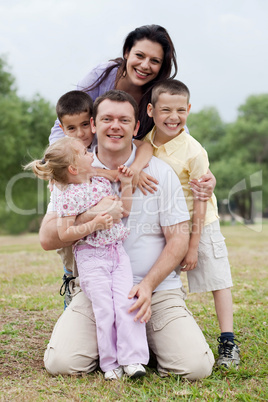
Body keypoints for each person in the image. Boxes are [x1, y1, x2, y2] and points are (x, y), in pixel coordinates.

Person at [39, 90, 215, 380]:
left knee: (195, 368)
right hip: (98, 289)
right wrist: (96, 214)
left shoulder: (160, 171)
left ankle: (143, 341)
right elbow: (47, 238)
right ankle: (116, 342)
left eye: (124, 120)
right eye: (107, 119)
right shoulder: (73, 174)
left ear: (136, 128)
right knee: (62, 363)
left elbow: (179, 240)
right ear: (94, 125)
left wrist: (147, 285)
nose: (115, 126)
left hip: (155, 291)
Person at [24, 136, 149, 380]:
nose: (89, 151)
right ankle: (110, 363)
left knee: (125, 304)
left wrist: (124, 184)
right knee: (104, 311)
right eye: (83, 151)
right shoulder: (66, 195)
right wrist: (94, 223)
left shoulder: (100, 181)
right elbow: (65, 233)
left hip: (117, 253)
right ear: (73, 168)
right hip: (91, 258)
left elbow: (124, 211)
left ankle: (132, 359)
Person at [49, 24, 216, 199]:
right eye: (140, 55)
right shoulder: (102, 75)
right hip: (92, 161)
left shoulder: (158, 94)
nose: (145, 65)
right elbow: (65, 121)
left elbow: (178, 134)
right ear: (127, 52)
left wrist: (205, 172)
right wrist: (57, 165)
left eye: (155, 61)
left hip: (134, 166)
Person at [144, 79, 240, 368]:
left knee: (217, 280)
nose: (173, 117)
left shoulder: (194, 151)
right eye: (165, 110)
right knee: (163, 280)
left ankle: (228, 341)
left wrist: (194, 245)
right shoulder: (147, 141)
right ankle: (162, 336)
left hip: (201, 223)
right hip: (168, 226)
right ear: (150, 110)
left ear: (188, 109)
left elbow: (200, 199)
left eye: (180, 110)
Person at [54, 89, 158, 308]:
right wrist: (109, 175)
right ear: (62, 130)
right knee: (69, 245)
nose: (80, 134)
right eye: (71, 129)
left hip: (108, 250)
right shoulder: (72, 154)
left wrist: (136, 169)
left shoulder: (93, 149)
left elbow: (146, 145)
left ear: (90, 123)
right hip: (77, 238)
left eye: (84, 125)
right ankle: (70, 277)